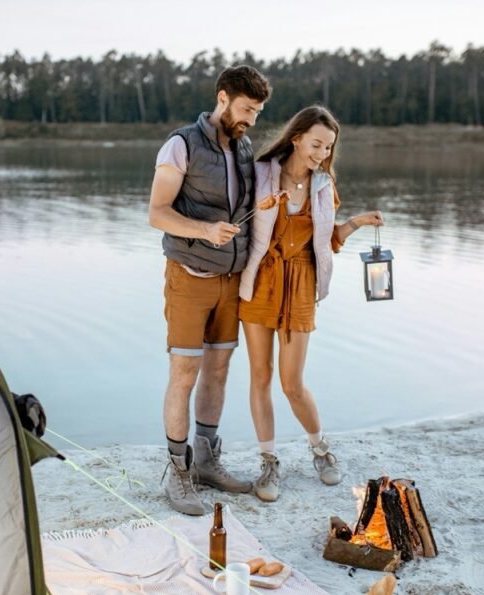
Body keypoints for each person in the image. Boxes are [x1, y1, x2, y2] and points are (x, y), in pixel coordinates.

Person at [238, 105, 385, 502]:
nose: (322, 153)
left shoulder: (323, 184)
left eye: (328, 147)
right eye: (316, 144)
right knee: (260, 376)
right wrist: (263, 208)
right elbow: (240, 219)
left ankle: (320, 449)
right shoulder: (262, 172)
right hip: (262, 279)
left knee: (292, 383)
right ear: (297, 136)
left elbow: (328, 240)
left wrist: (356, 222)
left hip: (302, 283)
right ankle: (268, 461)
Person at [148, 65, 272, 515]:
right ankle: (177, 472)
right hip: (188, 278)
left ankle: (205, 464)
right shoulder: (180, 144)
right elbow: (157, 213)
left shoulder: (244, 147)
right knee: (185, 374)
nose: (251, 120)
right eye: (246, 109)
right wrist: (203, 230)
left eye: (257, 112)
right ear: (223, 98)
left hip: (232, 281)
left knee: (218, 372)